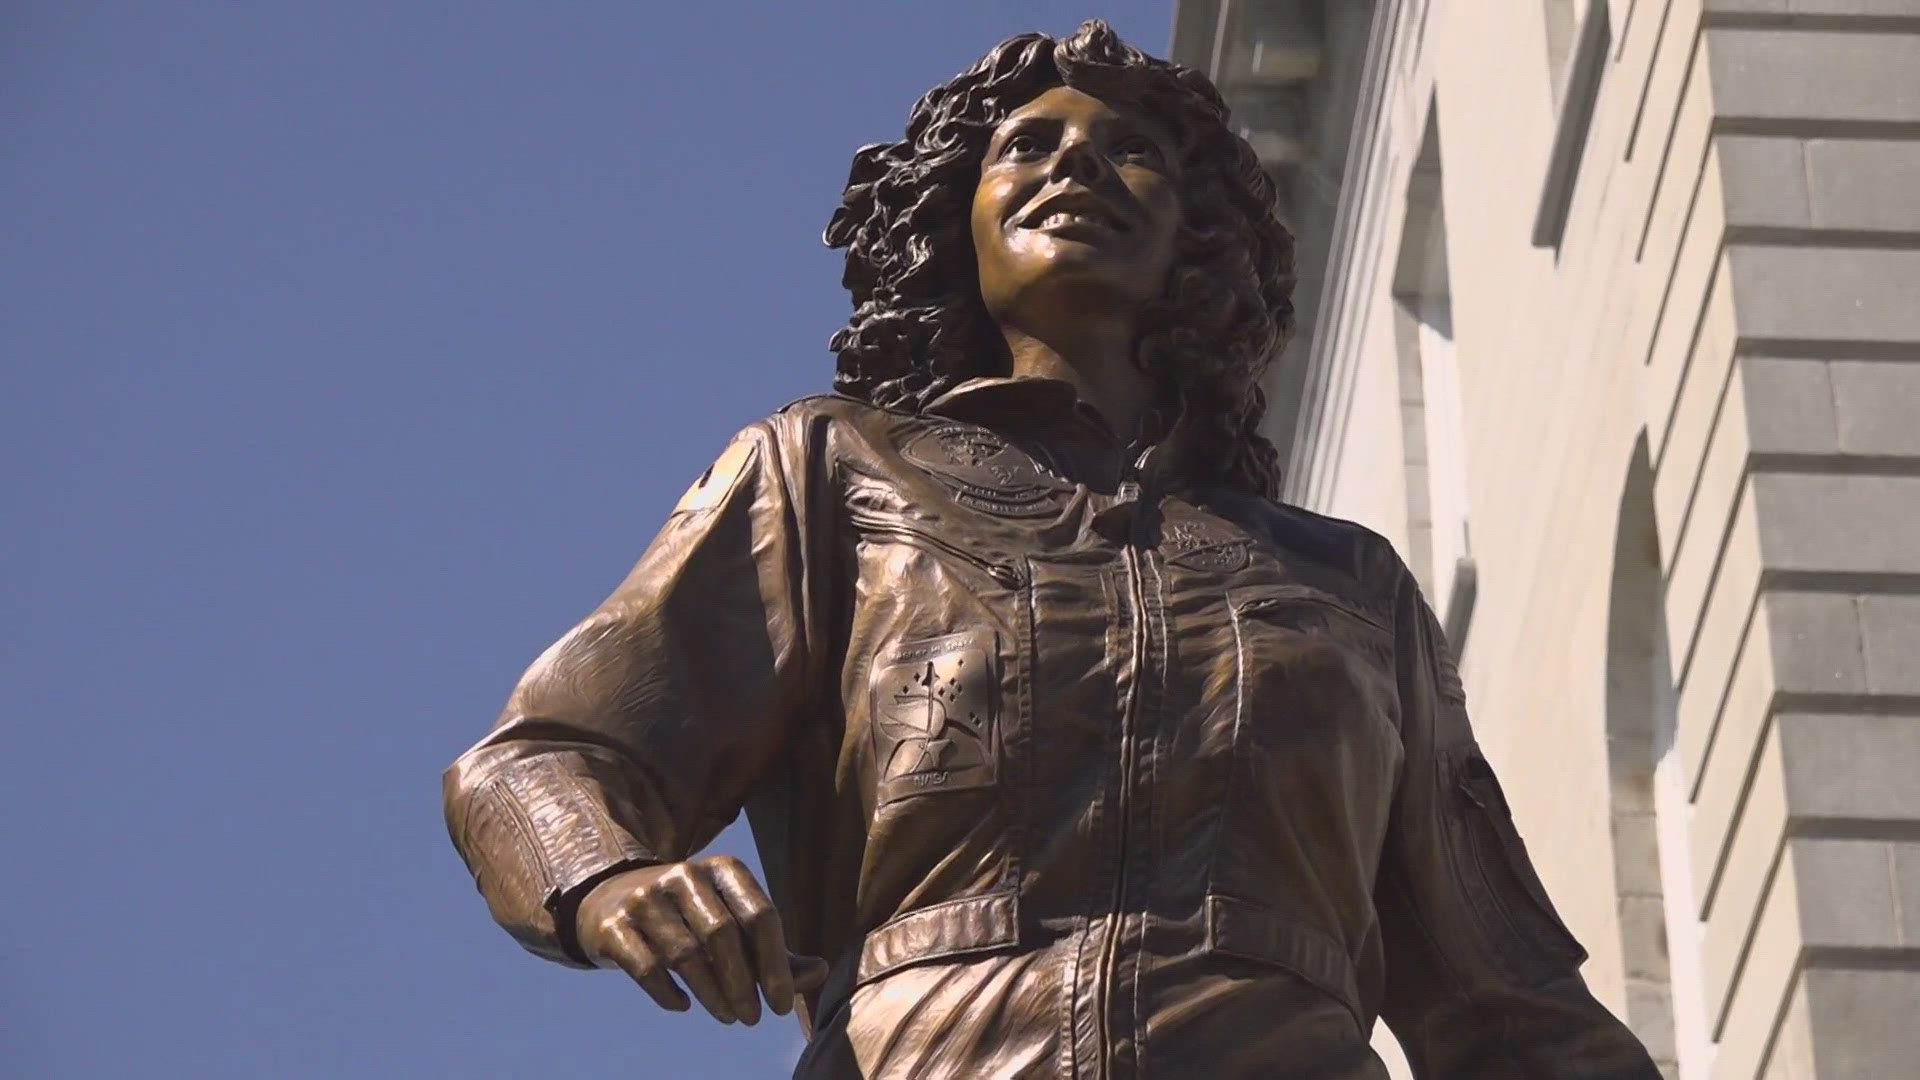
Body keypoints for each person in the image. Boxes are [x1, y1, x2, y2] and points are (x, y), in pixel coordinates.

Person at [443, 21, 1660, 1078]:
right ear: (953, 215)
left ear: (1200, 243)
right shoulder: (829, 473)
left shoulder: (1347, 586)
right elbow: (543, 759)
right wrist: (606, 879)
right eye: (1025, 143)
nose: (1076, 157)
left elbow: (1509, 1008)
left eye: (1133, 150)